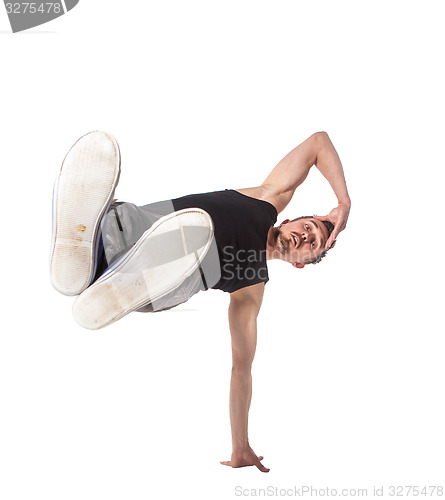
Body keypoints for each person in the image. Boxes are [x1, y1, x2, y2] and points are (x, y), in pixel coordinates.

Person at [50, 130, 351, 472]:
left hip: (165, 283)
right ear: (291, 219)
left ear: (299, 263)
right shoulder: (266, 199)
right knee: (131, 224)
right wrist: (343, 203)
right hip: (134, 230)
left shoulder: (251, 288)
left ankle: (109, 270)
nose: (307, 236)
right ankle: (85, 250)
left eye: (312, 244)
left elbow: (242, 371)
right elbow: (318, 143)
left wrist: (241, 446)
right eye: (310, 226)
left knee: (187, 259)